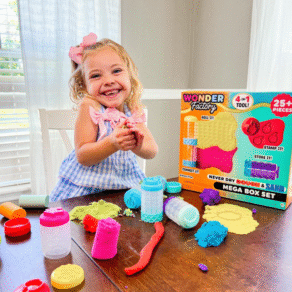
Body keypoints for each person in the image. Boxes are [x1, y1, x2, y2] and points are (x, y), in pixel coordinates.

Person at [50, 32, 158, 202]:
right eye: (96, 75)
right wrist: (112, 143)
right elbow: (83, 156)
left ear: (129, 75)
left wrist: (137, 144)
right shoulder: (90, 107)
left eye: (116, 71)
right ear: (84, 85)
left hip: (123, 192)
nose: (108, 81)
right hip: (86, 192)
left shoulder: (133, 109)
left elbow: (152, 151)